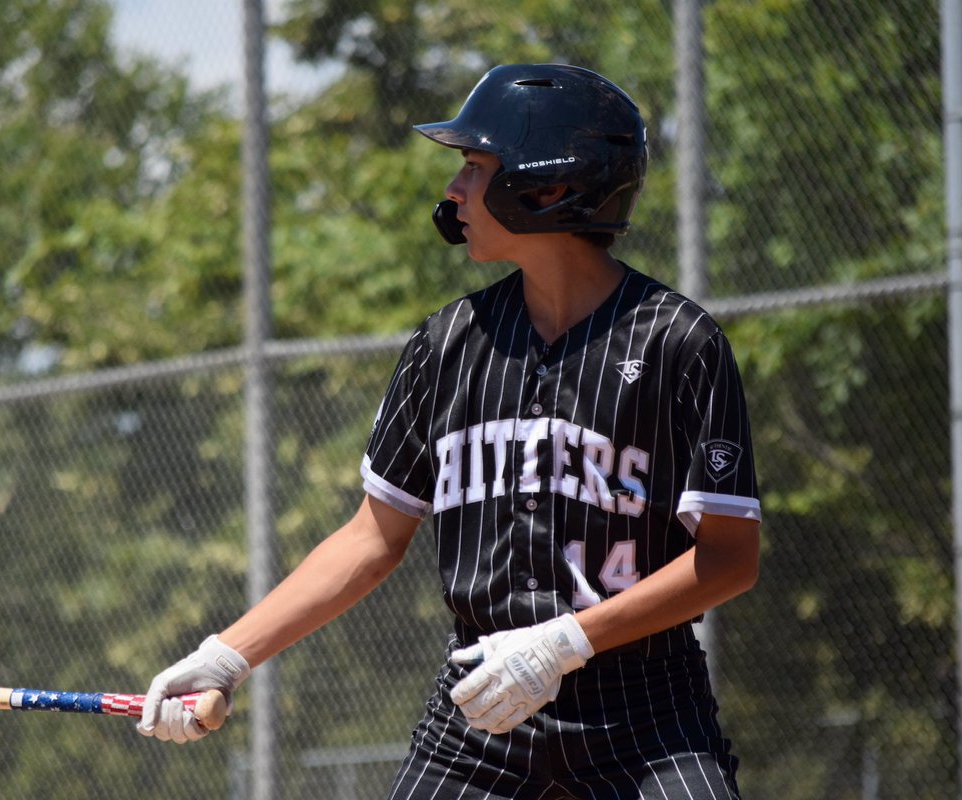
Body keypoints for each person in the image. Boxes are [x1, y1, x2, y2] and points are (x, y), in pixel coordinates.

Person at [136, 63, 762, 800]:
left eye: (473, 166)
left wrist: (568, 641)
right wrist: (226, 656)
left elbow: (728, 561)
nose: (453, 192)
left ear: (547, 186)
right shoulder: (446, 346)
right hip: (480, 717)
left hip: (645, 716)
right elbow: (373, 538)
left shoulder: (680, 343)